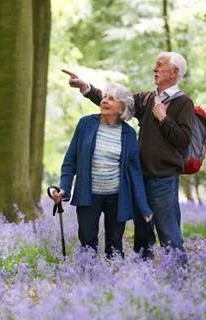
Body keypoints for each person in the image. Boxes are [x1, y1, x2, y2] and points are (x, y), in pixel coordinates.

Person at [64, 52, 193, 267]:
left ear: (175, 72)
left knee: (167, 229)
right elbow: (118, 104)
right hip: (139, 177)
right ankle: (142, 273)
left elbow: (183, 140)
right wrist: (85, 88)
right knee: (142, 233)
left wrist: (164, 118)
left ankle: (179, 275)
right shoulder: (148, 98)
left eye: (160, 65)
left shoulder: (183, 102)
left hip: (163, 179)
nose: (155, 69)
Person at [51, 83, 153, 259]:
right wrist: (64, 188)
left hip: (117, 197)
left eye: (111, 98)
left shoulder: (128, 134)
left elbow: (135, 173)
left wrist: (144, 208)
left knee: (115, 243)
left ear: (122, 107)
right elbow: (70, 161)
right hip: (88, 195)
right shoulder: (85, 124)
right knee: (87, 241)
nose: (104, 100)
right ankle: (87, 280)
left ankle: (113, 282)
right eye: (104, 96)